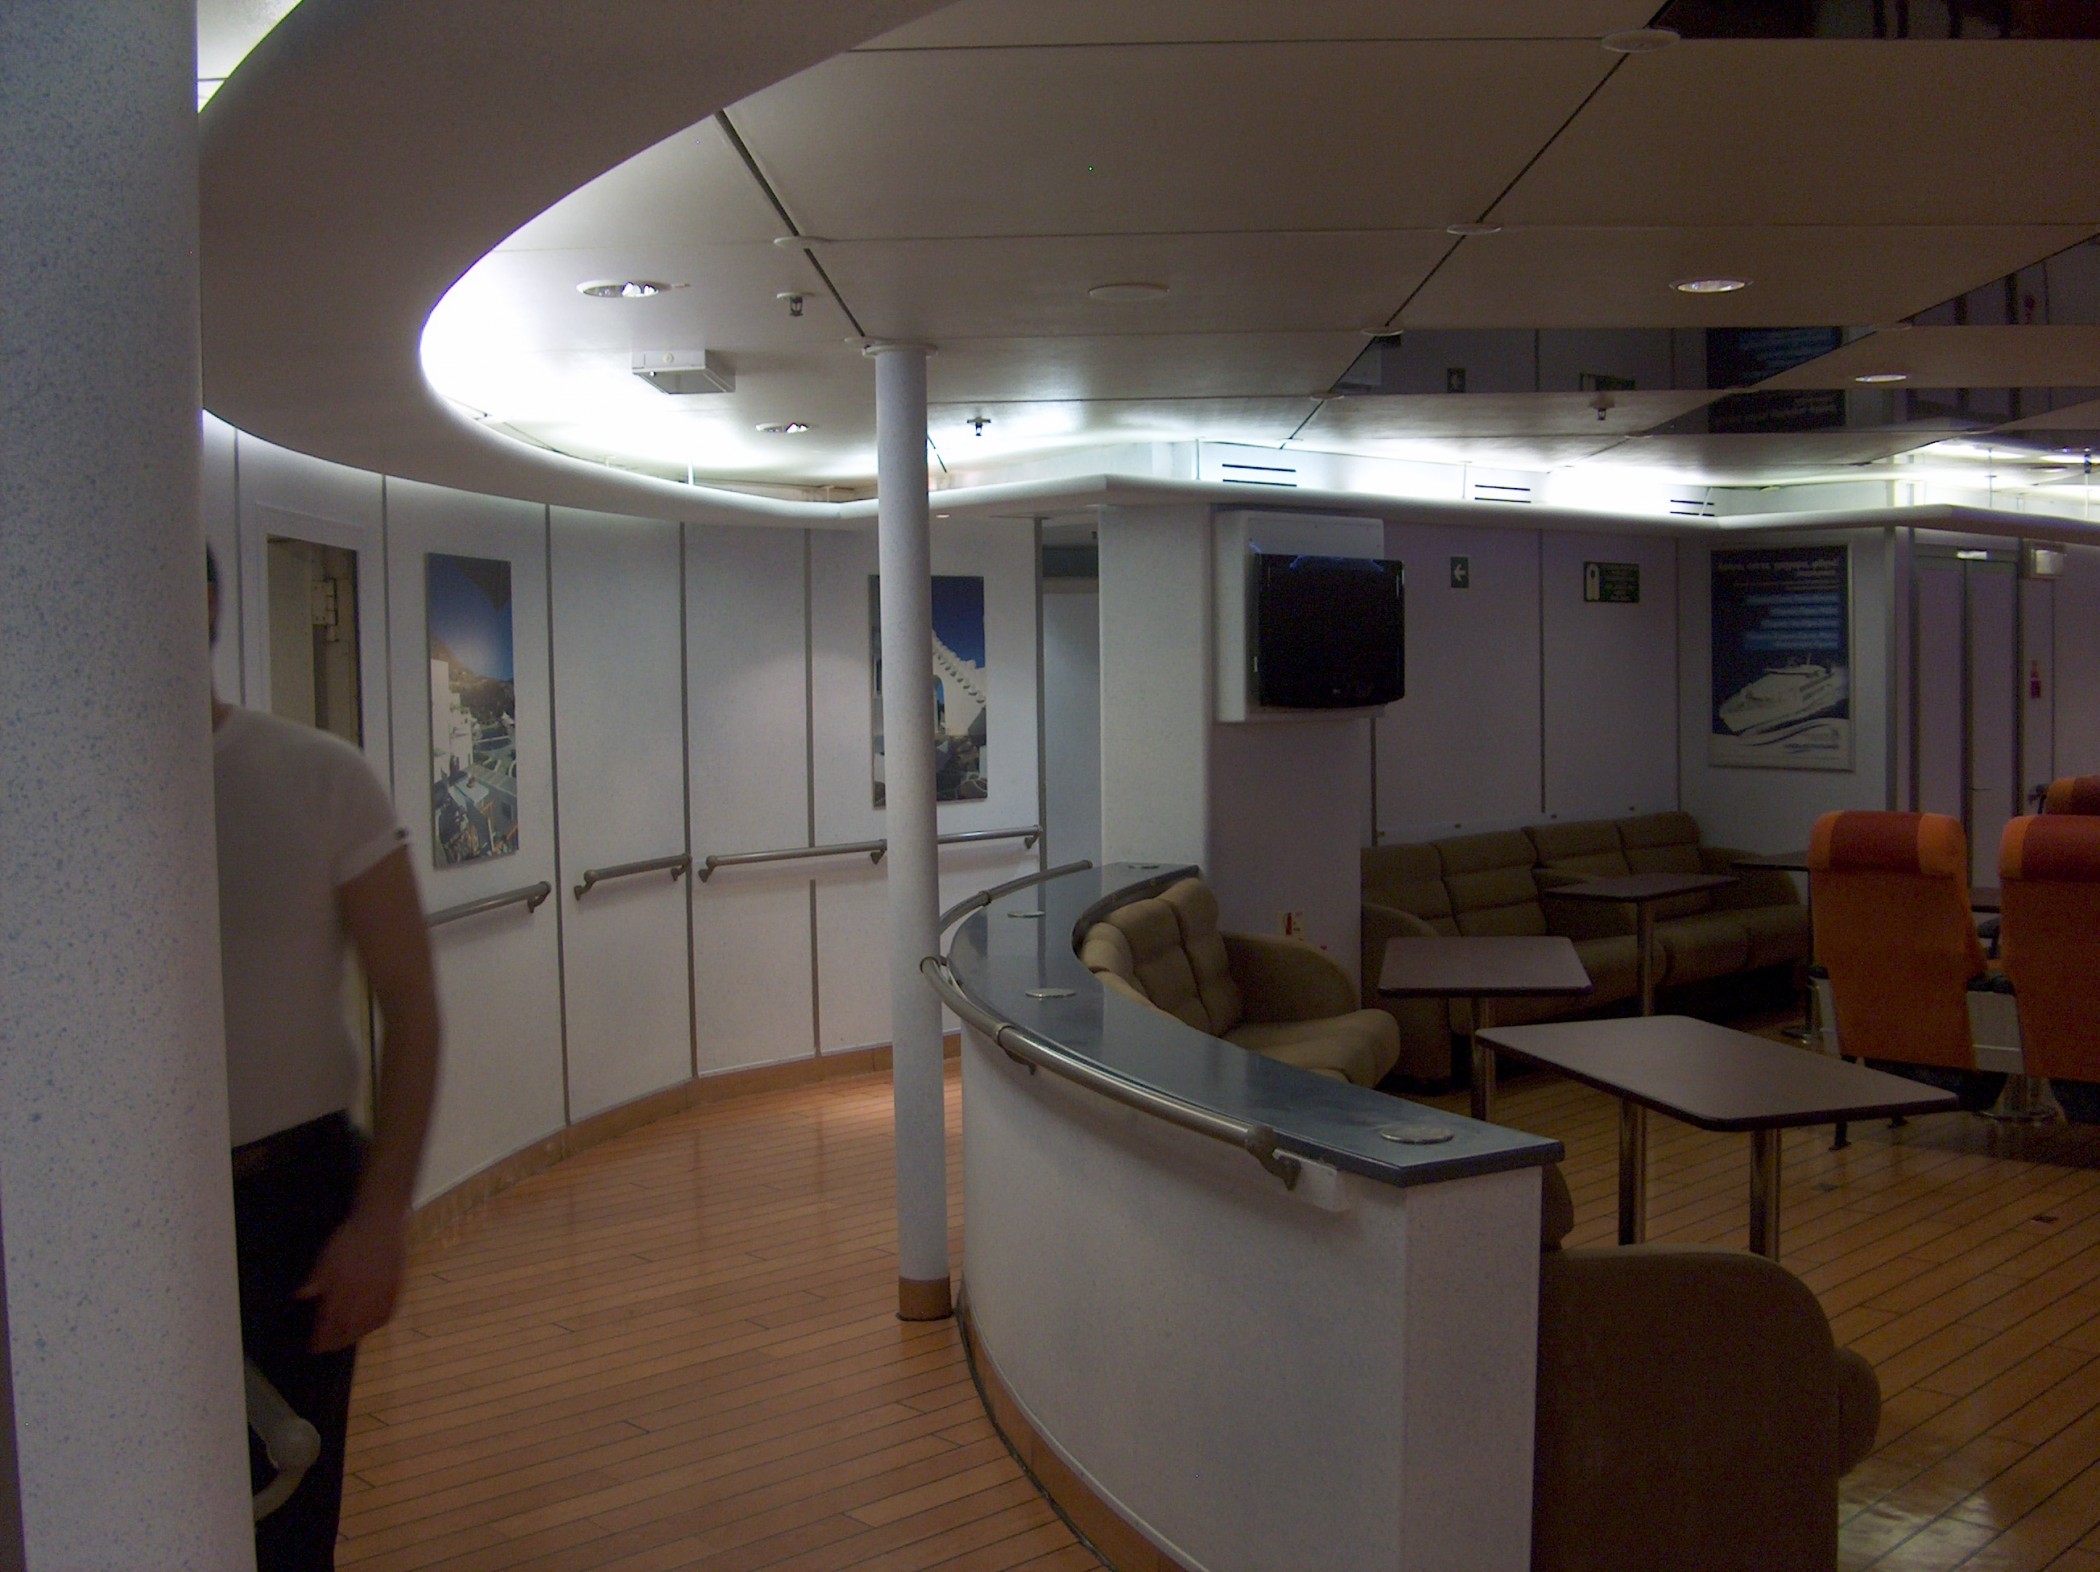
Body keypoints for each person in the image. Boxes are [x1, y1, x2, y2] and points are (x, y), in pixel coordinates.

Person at [209, 549, 441, 1569]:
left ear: (205, 603)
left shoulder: (317, 776)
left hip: (288, 1204)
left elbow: (412, 1006)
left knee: (290, 1515)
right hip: (110, 1210)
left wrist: (380, 1218)